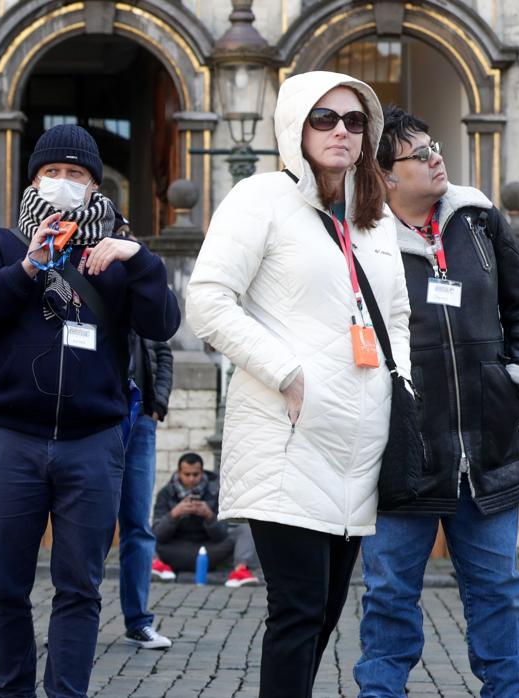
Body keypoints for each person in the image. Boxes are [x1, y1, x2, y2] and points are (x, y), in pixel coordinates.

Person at [186, 71, 410, 698]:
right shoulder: (261, 198)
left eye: (355, 120)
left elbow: (394, 318)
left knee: (328, 613)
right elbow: (207, 301)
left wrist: (402, 390)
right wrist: (286, 372)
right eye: (324, 118)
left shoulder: (373, 218)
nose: (342, 131)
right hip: (288, 439)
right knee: (298, 609)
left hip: (358, 446)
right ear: (294, 127)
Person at [0, 123, 181, 698]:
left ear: (94, 186)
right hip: (11, 438)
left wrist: (140, 258)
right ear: (33, 179)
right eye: (51, 173)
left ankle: (66, 692)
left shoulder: (114, 253)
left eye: (75, 175)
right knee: (5, 586)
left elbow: (164, 324)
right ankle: (11, 690)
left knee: (79, 587)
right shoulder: (1, 245)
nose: (62, 183)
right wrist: (29, 266)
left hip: (92, 442)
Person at [355, 106, 519, 697]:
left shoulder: (479, 219)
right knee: (389, 597)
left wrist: (518, 377)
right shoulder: (361, 239)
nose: (436, 157)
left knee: (498, 593)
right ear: (386, 176)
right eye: (419, 154)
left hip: (487, 446)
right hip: (404, 454)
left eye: (433, 146)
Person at [118, 328, 174, 650]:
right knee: (86, 525)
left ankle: (138, 622)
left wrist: (158, 402)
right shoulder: (81, 278)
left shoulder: (144, 284)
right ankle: (73, 618)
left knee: (138, 525)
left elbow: (164, 352)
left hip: (141, 417)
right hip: (97, 417)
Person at [150, 453, 259, 587]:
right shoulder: (166, 493)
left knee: (244, 529)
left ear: (202, 472)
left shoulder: (215, 492)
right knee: (145, 534)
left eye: (195, 474)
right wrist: (174, 514)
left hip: (208, 549)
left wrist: (209, 516)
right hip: (175, 549)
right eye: (187, 474)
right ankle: (157, 566)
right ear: (179, 473)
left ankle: (240, 571)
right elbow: (158, 534)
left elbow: (222, 536)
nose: (191, 479)